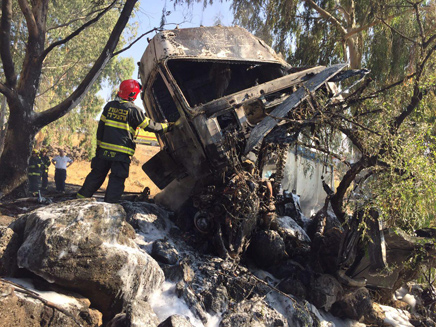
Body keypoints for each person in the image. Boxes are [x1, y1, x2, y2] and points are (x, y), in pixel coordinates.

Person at [77, 79, 172, 203]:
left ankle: (79, 200)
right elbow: (149, 126)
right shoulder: (134, 110)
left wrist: (99, 148)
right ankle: (110, 207)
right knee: (116, 180)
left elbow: (100, 129)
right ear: (133, 95)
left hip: (104, 152)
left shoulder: (109, 106)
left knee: (96, 175)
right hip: (121, 154)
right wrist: (166, 127)